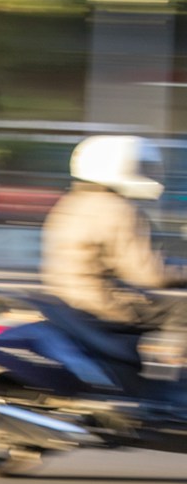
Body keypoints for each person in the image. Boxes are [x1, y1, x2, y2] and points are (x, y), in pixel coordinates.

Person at [41, 135, 187, 383]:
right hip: (105, 303)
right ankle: (177, 377)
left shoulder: (72, 203)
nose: (148, 173)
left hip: (70, 300)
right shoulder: (117, 209)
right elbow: (147, 274)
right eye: (141, 166)